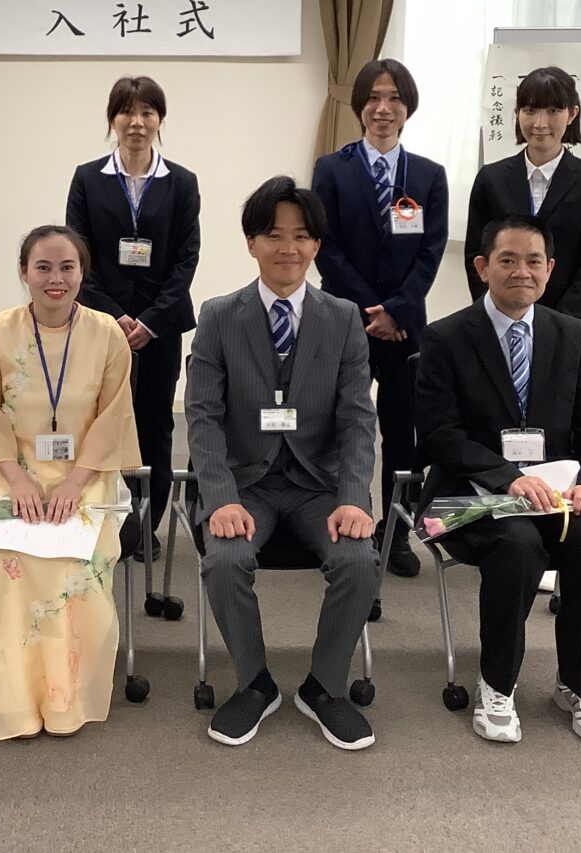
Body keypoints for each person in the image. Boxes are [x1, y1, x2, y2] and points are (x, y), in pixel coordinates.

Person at [185, 176, 381, 751]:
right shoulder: (219, 315)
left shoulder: (343, 317)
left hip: (321, 487)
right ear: (251, 243)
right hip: (246, 484)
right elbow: (202, 417)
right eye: (273, 235)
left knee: (359, 560)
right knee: (225, 559)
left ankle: (325, 686)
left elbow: (357, 420)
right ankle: (254, 683)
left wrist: (354, 498)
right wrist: (220, 498)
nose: (287, 248)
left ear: (316, 245)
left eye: (300, 236)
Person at [415, 214, 581, 745]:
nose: (521, 272)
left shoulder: (573, 335)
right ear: (482, 267)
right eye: (507, 260)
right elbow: (440, 435)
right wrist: (505, 477)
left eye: (534, 261)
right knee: (516, 544)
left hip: (556, 497)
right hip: (471, 498)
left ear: (550, 269)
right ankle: (497, 684)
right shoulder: (446, 337)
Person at [0, 226, 141, 742]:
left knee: (69, 560)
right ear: (23, 273)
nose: (55, 278)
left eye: (67, 267)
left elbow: (113, 418)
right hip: (10, 470)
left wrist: (75, 483)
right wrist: (17, 481)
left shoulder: (107, 334)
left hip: (87, 474)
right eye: (43, 267)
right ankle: (10, 694)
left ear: (82, 273)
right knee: (1, 557)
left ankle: (63, 694)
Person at [312, 58, 447, 579]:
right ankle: (345, 524)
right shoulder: (332, 169)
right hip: (345, 320)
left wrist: (396, 310)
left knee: (401, 430)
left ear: (408, 107)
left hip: (405, 325)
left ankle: (396, 533)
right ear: (359, 106)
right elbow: (325, 248)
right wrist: (372, 309)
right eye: (373, 97)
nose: (383, 108)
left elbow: (430, 253)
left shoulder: (429, 175)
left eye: (394, 98)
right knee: (342, 424)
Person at [66, 75, 200, 560]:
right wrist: (116, 316)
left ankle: (146, 526)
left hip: (159, 329)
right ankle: (99, 519)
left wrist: (150, 320)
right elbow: (78, 256)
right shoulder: (87, 178)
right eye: (127, 111)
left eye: (147, 112)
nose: (137, 122)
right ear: (113, 119)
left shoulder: (182, 182)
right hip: (102, 326)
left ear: (160, 120)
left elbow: (186, 258)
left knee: (154, 425)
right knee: (97, 420)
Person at [465, 65, 581, 338]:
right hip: (500, 322)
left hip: (570, 325)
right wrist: (498, 314)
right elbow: (476, 255)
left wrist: (557, 325)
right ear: (517, 112)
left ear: (572, 114)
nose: (540, 123)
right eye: (530, 110)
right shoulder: (491, 179)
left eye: (553, 111)